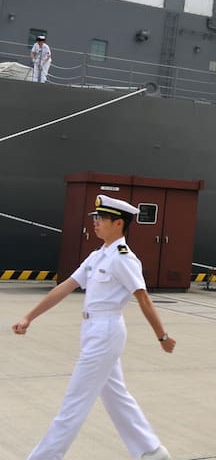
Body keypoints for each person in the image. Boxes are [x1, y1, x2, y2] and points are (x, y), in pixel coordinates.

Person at [13, 195, 174, 460]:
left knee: (74, 403)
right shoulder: (97, 256)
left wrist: (162, 336)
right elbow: (66, 286)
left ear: (118, 223)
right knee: (116, 397)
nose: (96, 223)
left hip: (106, 331)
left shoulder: (124, 258)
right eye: (95, 218)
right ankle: (150, 451)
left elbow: (143, 297)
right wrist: (30, 316)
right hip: (93, 330)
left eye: (101, 219)